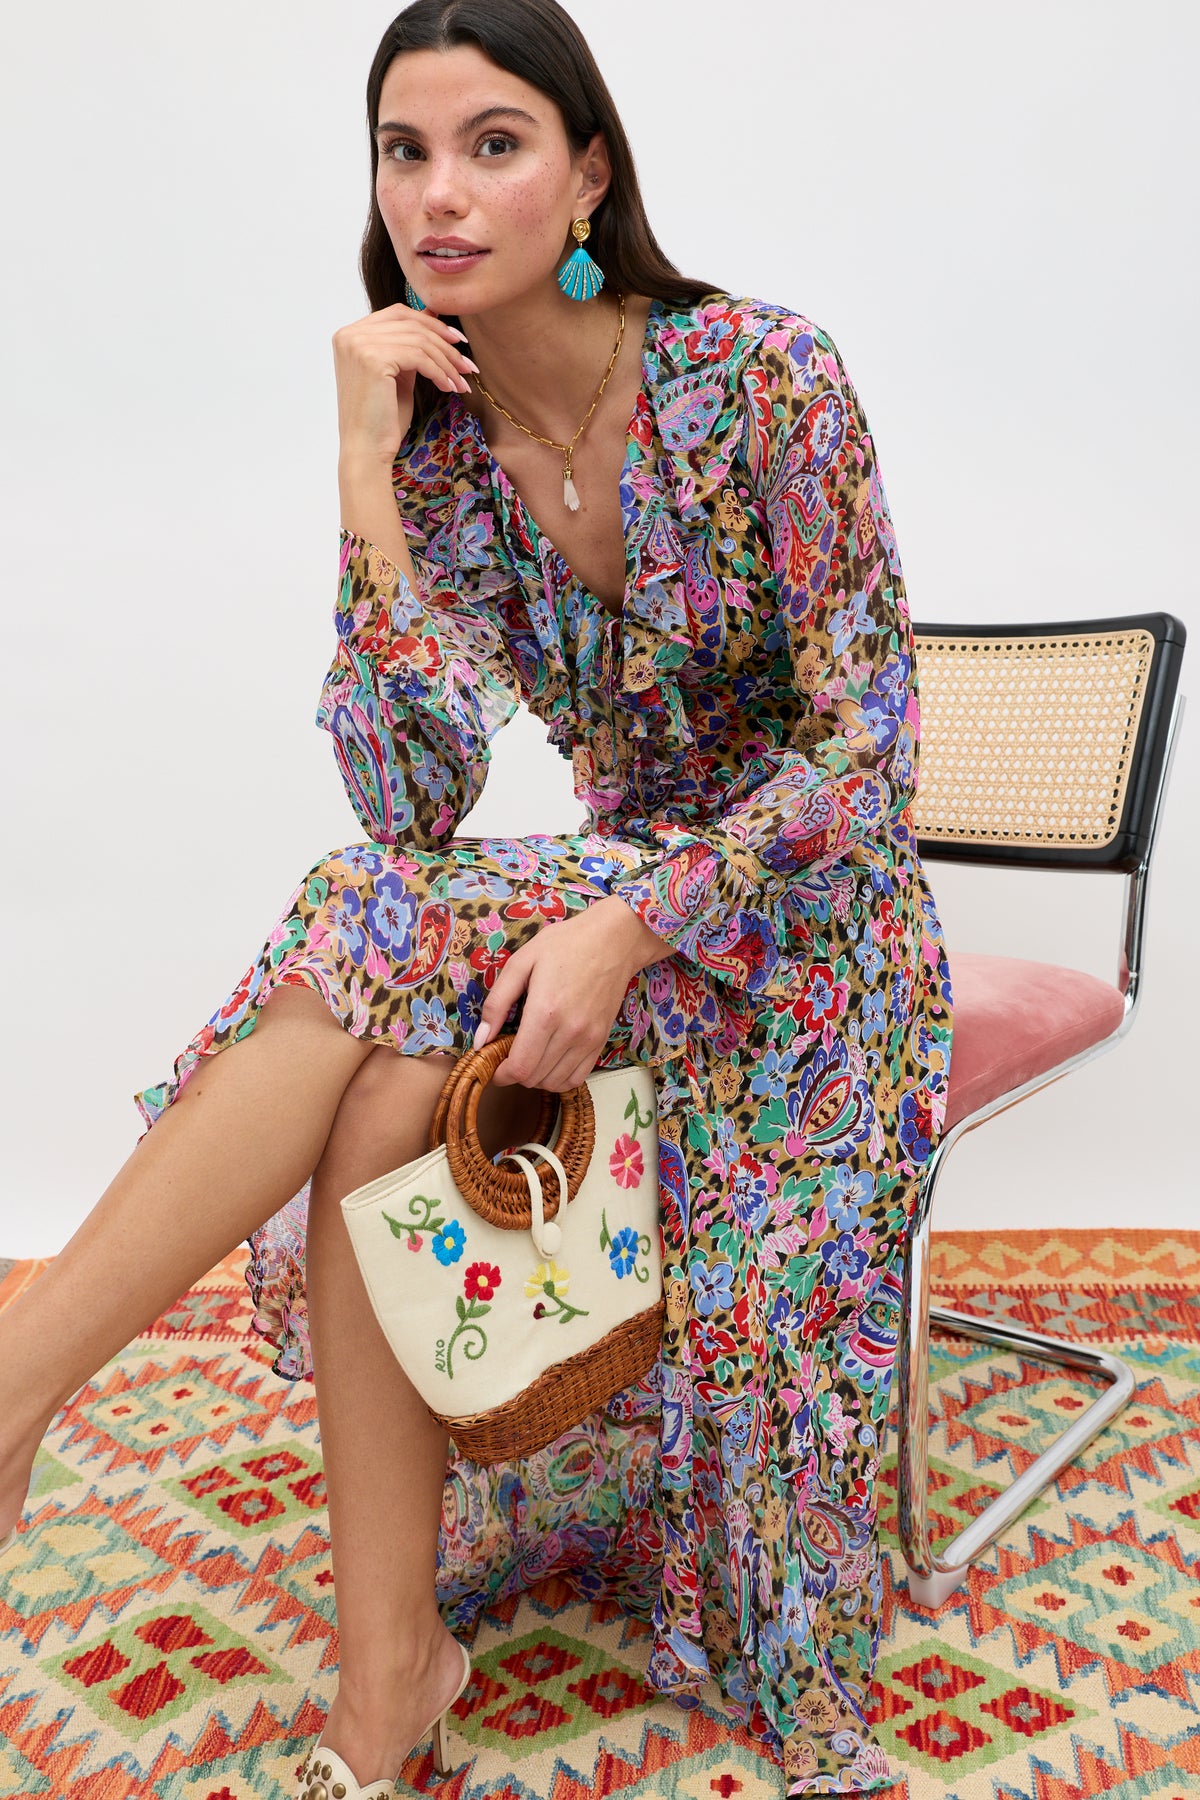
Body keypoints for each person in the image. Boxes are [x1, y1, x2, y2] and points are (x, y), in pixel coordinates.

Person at [0, 0, 953, 1792]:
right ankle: (390, 1679)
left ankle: (14, 1385)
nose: (441, 191)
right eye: (404, 150)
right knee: (367, 1062)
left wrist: (629, 923)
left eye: (494, 142)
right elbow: (413, 797)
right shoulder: (435, 445)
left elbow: (871, 756)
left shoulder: (766, 377)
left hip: (815, 937)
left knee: (363, 926)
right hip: (611, 901)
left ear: (589, 169)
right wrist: (361, 471)